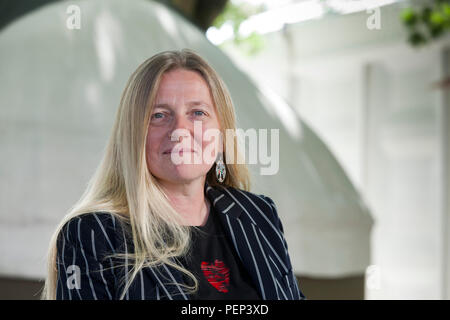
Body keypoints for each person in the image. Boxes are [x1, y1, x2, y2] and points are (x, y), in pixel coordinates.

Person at [41, 49, 306, 300]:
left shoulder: (259, 214)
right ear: (134, 134)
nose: (180, 130)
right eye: (159, 115)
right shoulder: (91, 234)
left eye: (198, 113)